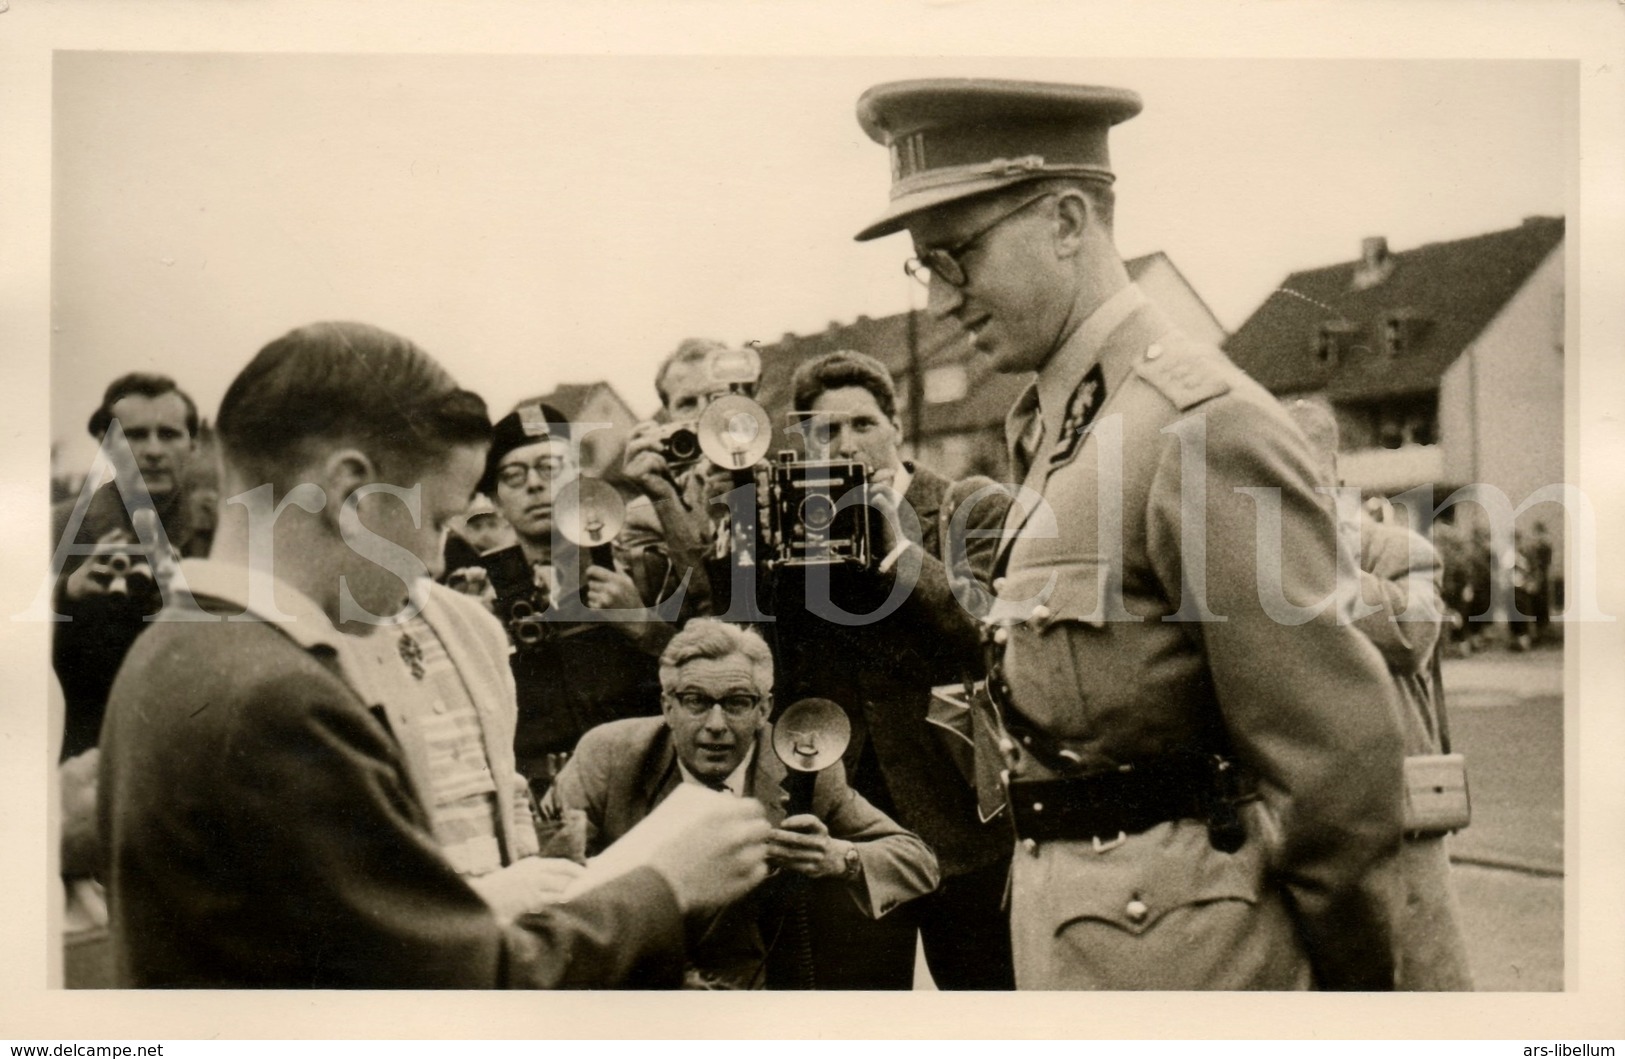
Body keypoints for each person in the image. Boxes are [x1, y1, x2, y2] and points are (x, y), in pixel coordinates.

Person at [853, 78, 1405, 989]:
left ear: (1067, 220)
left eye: (957, 256)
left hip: (1196, 968)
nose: (941, 300)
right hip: (1086, 949)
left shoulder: (1200, 423)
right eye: (927, 267)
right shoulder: (1067, 426)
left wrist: (1352, 1006)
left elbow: (1333, 776)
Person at [98, 321, 771, 988]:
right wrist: (666, 885)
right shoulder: (278, 697)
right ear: (351, 491)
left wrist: (475, 906)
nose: (430, 558)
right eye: (438, 521)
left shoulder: (174, 647)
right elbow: (461, 991)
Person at [768, 349, 1015, 989]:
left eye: (863, 424)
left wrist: (898, 547)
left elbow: (985, 629)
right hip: (851, 827)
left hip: (963, 812)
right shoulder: (794, 527)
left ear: (897, 428)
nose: (847, 444)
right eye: (826, 432)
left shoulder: (968, 505)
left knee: (991, 1010)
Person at [535, 618, 940, 989]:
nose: (715, 725)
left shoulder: (799, 766)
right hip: (635, 983)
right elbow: (545, 876)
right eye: (695, 701)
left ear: (764, 709)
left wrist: (838, 857)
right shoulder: (607, 756)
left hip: (748, 991)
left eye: (736, 703)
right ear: (667, 707)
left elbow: (919, 862)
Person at [1286, 399, 1474, 991]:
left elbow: (1414, 636)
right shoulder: (1262, 563)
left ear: (1335, 474)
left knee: (1428, 985)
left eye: (1304, 472)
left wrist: (1321, 569)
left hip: (1402, 812)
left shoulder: (1399, 550)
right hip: (1309, 812)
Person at [473, 402, 675, 792]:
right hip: (539, 799)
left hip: (641, 786)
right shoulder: (478, 598)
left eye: (550, 468)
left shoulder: (639, 569)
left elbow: (702, 675)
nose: (534, 484)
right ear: (495, 500)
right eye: (513, 476)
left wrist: (643, 622)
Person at [51, 373, 211, 762]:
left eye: (169, 435)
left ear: (193, 444)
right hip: (90, 753)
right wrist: (66, 592)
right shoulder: (56, 529)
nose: (153, 450)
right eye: (135, 435)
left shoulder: (223, 531)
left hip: (198, 751)